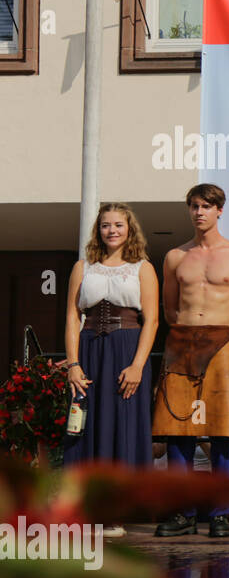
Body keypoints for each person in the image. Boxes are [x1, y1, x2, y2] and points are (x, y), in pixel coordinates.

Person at [152, 184, 229, 538]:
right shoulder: (174, 257)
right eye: (195, 206)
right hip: (182, 343)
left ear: (220, 211)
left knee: (223, 432)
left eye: (207, 206)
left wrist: (226, 341)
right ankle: (182, 513)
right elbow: (169, 308)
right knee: (177, 432)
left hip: (222, 344)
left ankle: (219, 514)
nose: (200, 212)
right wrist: (188, 336)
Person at [63, 202, 160, 537]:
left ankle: (118, 512)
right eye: (106, 225)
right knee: (87, 424)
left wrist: (137, 365)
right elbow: (73, 317)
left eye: (119, 225)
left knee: (123, 424)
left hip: (127, 350)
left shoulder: (142, 267)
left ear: (129, 228)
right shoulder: (83, 266)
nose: (112, 231)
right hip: (90, 350)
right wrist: (73, 363)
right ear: (98, 230)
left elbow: (152, 320)